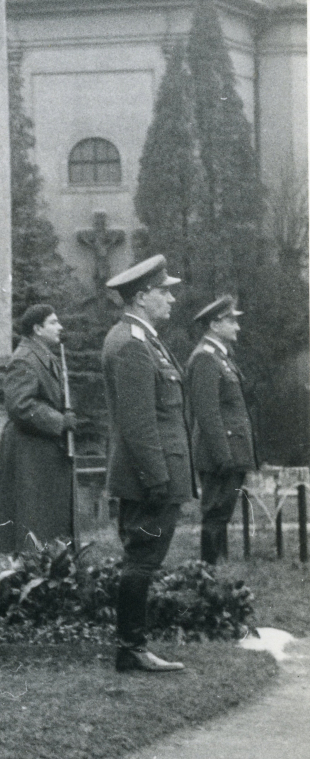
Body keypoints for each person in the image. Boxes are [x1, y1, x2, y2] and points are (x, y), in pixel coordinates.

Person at [102, 255, 193, 673]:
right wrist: (158, 479)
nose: (171, 298)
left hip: (154, 474)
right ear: (141, 297)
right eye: (164, 291)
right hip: (149, 478)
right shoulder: (133, 345)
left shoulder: (142, 339)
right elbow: (139, 425)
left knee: (142, 560)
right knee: (141, 560)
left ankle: (132, 646)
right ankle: (131, 648)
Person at [0, 304, 78, 553]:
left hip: (41, 450)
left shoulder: (43, 355)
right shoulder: (25, 359)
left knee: (44, 519)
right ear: (37, 329)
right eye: (53, 322)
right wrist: (59, 421)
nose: (60, 327)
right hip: (29, 452)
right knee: (33, 518)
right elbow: (20, 404)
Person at [185, 295, 256, 565]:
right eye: (231, 321)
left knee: (220, 514)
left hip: (228, 451)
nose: (237, 327)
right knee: (215, 514)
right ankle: (207, 575)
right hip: (220, 454)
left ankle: (213, 571)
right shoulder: (205, 358)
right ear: (215, 325)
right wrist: (223, 456)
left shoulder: (220, 357)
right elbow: (207, 413)